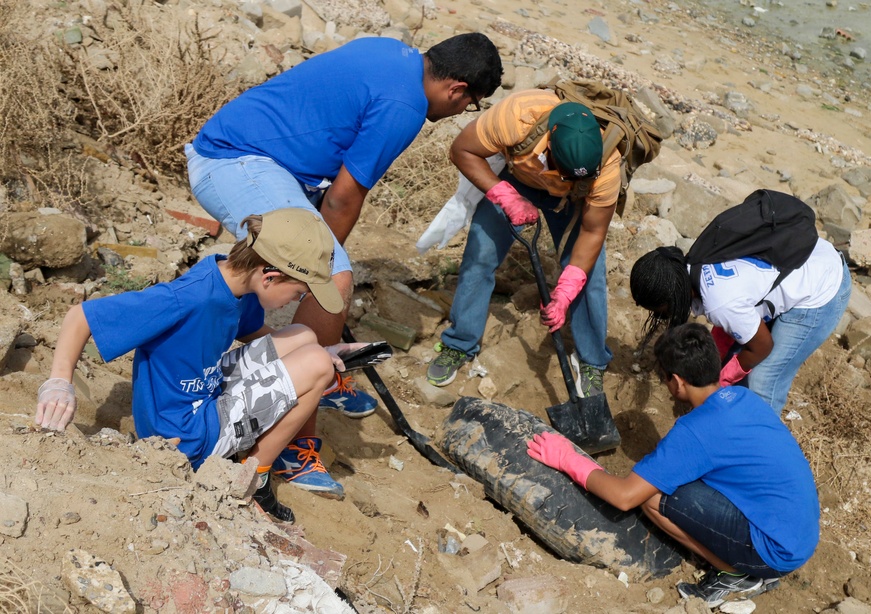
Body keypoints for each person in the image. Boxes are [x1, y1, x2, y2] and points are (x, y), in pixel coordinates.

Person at [186, 33, 502, 494]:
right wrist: (318, 272)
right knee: (333, 274)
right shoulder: (405, 105)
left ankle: (304, 371)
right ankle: (293, 442)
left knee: (325, 273)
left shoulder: (391, 51)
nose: (460, 114)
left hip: (265, 159)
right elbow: (343, 196)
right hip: (236, 162)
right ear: (456, 89)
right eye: (469, 104)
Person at [35, 209, 372, 523]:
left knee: (304, 337)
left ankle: (310, 363)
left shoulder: (229, 277)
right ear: (269, 276)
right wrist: (59, 382)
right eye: (298, 292)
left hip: (205, 392)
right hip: (184, 436)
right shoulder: (188, 298)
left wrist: (323, 349)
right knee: (315, 365)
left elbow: (250, 330)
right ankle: (253, 478)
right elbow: (80, 316)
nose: (295, 301)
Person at [527, 323, 819, 608]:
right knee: (681, 478)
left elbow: (625, 496)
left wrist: (567, 458)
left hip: (773, 550)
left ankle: (736, 575)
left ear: (677, 381)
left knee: (652, 496)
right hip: (798, 532)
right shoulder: (743, 397)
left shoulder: (695, 432)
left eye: (666, 380)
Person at [427, 90, 621, 397]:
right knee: (480, 254)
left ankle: (592, 360)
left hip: (572, 199)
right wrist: (504, 195)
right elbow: (462, 150)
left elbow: (593, 232)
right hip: (518, 179)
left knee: (589, 275)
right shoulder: (517, 117)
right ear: (551, 141)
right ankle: (460, 343)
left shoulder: (608, 165)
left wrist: (565, 291)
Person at [628, 234, 851, 415]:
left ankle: (756, 450)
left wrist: (719, 384)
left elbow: (762, 346)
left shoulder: (720, 302)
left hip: (823, 288)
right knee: (735, 358)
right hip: (805, 255)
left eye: (660, 311)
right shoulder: (698, 262)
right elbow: (729, 324)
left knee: (762, 381)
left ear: (673, 295)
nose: (662, 317)